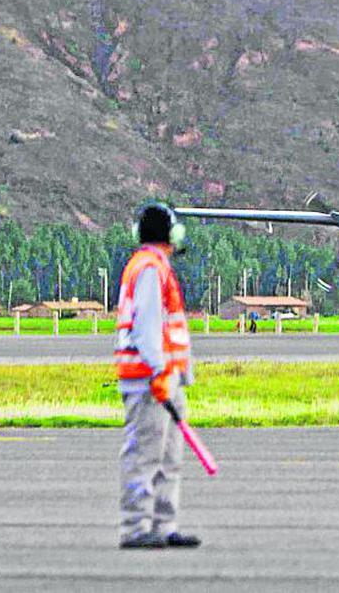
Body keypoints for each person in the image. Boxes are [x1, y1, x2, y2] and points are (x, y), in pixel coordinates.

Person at [114, 203, 200, 549]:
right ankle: (135, 527)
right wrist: (161, 371)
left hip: (167, 379)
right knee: (144, 455)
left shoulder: (158, 267)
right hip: (150, 380)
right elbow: (147, 326)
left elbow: (170, 328)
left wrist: (182, 373)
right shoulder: (149, 267)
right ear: (169, 233)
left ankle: (164, 525)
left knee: (169, 457)